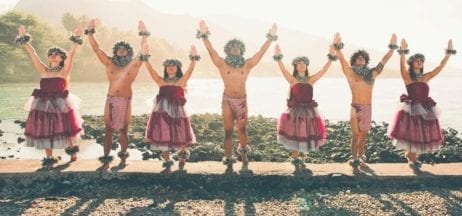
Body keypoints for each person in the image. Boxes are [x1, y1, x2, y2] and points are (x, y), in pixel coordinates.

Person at [196, 20, 277, 174]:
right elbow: (211, 51)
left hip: (241, 101)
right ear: (228, 50)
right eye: (232, 47)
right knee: (227, 131)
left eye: (238, 47)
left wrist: (270, 37)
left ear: (241, 50)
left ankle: (244, 155)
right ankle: (228, 158)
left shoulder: (246, 65)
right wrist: (204, 36)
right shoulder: (222, 64)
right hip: (227, 100)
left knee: (242, 130)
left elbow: (260, 52)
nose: (235, 49)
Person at [17, 25, 84, 169]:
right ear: (48, 57)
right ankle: (49, 158)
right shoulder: (43, 70)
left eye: (57, 54)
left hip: (60, 103)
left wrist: (76, 39)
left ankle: (72, 153)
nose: (54, 55)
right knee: (45, 129)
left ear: (61, 59)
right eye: (52, 53)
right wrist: (24, 39)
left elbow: (71, 55)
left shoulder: (64, 71)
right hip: (42, 103)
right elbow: (33, 54)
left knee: (65, 128)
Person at [86, 19, 148, 168]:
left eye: (124, 48)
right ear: (115, 50)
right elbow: (96, 49)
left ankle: (123, 157)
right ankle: (106, 158)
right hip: (111, 99)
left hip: (126, 99)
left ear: (128, 51)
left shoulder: (134, 64)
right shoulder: (109, 62)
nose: (121, 50)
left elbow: (144, 49)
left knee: (124, 130)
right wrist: (90, 32)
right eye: (118, 48)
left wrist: (143, 33)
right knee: (108, 129)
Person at [388, 39, 456, 172]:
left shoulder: (426, 77)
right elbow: (402, 67)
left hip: (425, 109)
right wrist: (402, 52)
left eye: (421, 60)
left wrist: (448, 54)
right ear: (412, 63)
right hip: (411, 109)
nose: (419, 62)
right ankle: (413, 161)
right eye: (416, 60)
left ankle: (412, 157)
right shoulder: (408, 77)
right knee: (411, 134)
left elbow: (440, 67)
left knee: (419, 135)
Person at [334, 33, 397, 173]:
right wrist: (337, 48)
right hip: (354, 107)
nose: (361, 59)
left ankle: (361, 157)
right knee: (355, 134)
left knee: (363, 135)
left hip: (367, 108)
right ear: (354, 61)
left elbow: (383, 61)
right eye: (358, 57)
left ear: (366, 60)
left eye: (363, 57)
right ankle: (354, 158)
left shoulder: (372, 74)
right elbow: (342, 61)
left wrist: (392, 48)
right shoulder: (350, 73)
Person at [273, 42, 336, 173]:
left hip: (309, 111)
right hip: (295, 111)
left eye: (303, 63)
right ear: (296, 66)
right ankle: (295, 158)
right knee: (294, 133)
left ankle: (302, 157)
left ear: (306, 66)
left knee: (306, 132)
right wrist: (278, 57)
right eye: (298, 63)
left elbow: (324, 70)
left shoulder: (311, 80)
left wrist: (331, 56)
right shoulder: (292, 80)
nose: (301, 65)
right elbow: (283, 69)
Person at [144, 43, 199, 173]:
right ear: (165, 68)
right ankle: (167, 162)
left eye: (173, 66)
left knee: (181, 134)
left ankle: (182, 158)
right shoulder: (161, 81)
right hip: (161, 111)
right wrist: (145, 59)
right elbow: (151, 71)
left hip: (178, 111)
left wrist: (193, 58)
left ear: (178, 68)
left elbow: (190, 71)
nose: (170, 68)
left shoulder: (181, 81)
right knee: (163, 134)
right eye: (168, 66)